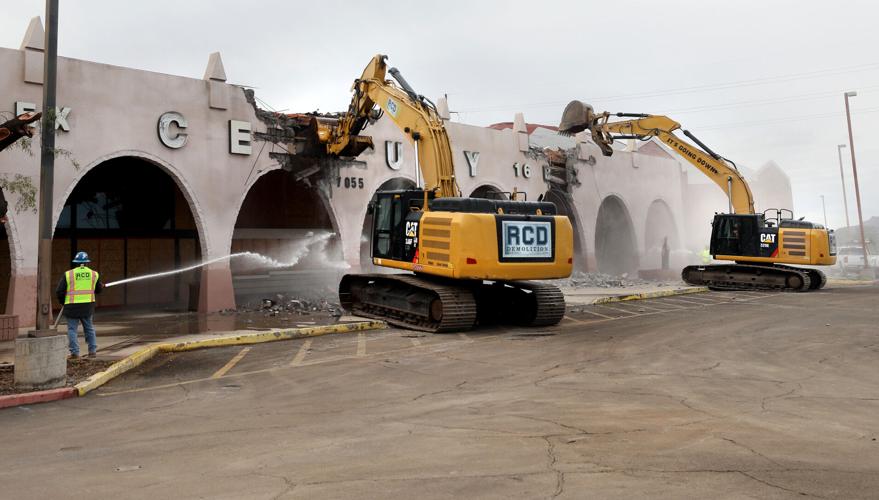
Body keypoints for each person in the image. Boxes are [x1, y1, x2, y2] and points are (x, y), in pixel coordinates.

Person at [56, 251, 103, 358]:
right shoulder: (94, 274)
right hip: (87, 306)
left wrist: (63, 302)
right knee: (89, 328)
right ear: (87, 263)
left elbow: (59, 291)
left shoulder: (68, 274)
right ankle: (92, 352)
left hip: (71, 306)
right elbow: (98, 290)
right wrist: (99, 286)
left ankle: (75, 353)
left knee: (72, 330)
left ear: (76, 263)